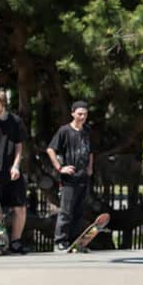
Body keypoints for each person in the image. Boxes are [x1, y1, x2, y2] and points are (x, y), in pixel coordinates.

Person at [47, 101, 93, 251]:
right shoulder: (64, 131)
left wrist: (90, 167)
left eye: (85, 114)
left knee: (79, 212)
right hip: (69, 179)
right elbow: (50, 149)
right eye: (79, 114)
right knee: (66, 211)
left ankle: (75, 241)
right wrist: (60, 168)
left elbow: (91, 151)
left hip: (82, 177)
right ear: (73, 113)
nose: (82, 117)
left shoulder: (87, 131)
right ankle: (60, 241)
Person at [0, 88, 28, 254]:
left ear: (3, 102)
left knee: (20, 207)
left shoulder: (15, 121)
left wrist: (16, 165)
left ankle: (16, 241)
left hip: (11, 171)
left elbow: (19, 145)